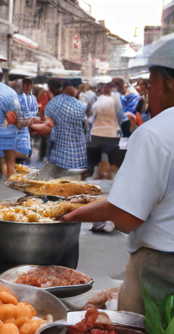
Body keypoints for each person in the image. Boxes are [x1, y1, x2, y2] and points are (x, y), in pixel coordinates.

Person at [62, 35, 174, 314]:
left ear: (169, 82)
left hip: (161, 269)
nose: (148, 92)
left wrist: (72, 213)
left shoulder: (155, 133)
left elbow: (126, 217)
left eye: (151, 82)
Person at [30, 79, 87, 179]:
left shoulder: (54, 103)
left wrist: (31, 126)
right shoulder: (81, 106)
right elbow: (85, 129)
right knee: (70, 179)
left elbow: (48, 126)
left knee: (53, 177)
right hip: (76, 153)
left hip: (58, 150)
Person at [88, 78, 123, 179]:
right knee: (111, 153)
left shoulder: (95, 98)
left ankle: (96, 170)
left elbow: (91, 116)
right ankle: (111, 172)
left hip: (96, 132)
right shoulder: (116, 97)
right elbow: (120, 115)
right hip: (112, 132)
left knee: (96, 152)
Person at [16, 77, 39, 160]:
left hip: (28, 126)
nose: (27, 86)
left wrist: (30, 118)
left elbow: (35, 111)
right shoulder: (17, 97)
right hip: (18, 127)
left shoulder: (33, 98)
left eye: (28, 84)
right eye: (25, 84)